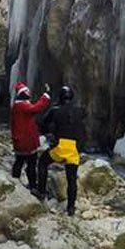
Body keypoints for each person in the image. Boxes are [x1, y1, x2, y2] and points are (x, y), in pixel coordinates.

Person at [36, 85, 85, 216]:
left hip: (61, 146)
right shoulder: (80, 111)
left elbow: (42, 123)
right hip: (74, 147)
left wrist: (49, 134)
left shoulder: (55, 110)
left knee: (43, 162)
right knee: (71, 178)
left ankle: (41, 191)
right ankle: (71, 208)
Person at [10, 82, 51, 192]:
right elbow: (35, 108)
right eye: (26, 91)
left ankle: (15, 180)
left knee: (20, 161)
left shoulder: (18, 106)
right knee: (31, 162)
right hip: (26, 140)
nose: (29, 93)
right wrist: (45, 95)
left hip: (21, 139)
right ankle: (31, 184)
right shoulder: (22, 106)